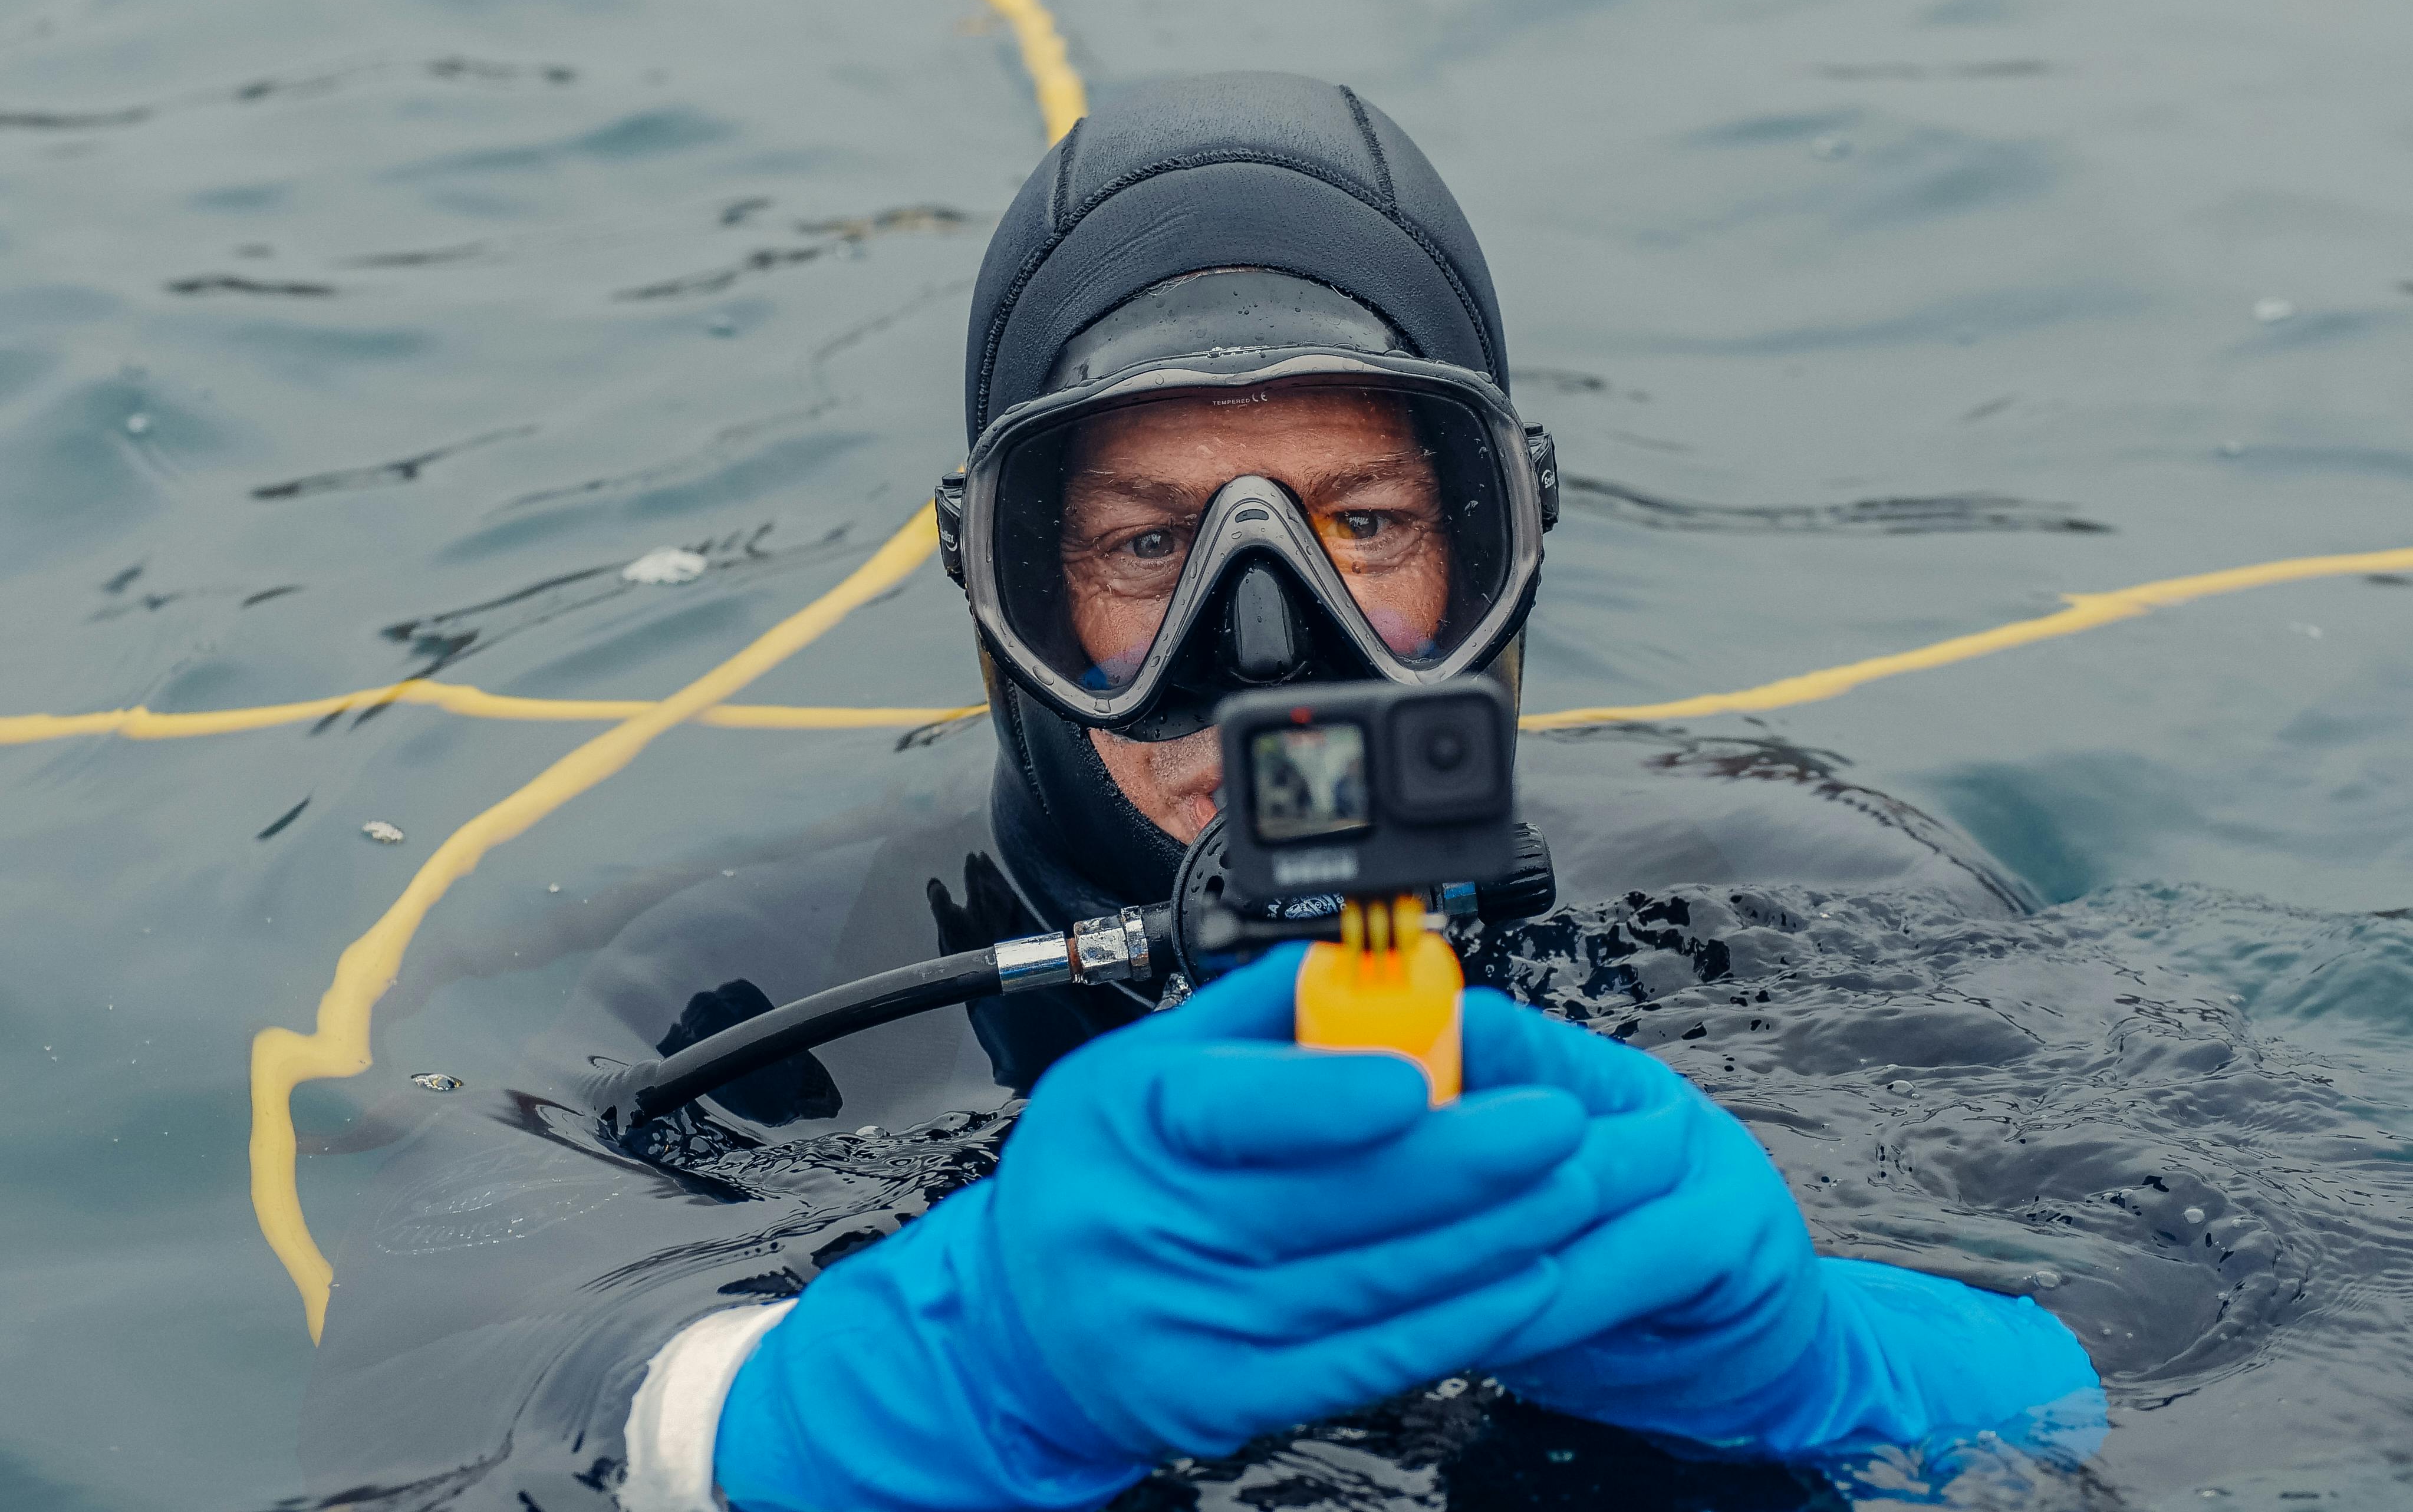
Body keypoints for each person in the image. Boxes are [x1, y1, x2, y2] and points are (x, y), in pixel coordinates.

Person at [302, 74, 2100, 1512]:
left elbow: (2296, 1316)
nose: (1264, 650)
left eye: (1367, 526)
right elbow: (439, 1412)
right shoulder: (749, 1008)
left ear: (1497, 543)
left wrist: (1850, 1364)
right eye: (1150, 541)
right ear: (1008, 587)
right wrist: (838, 1412)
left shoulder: (1793, 904)